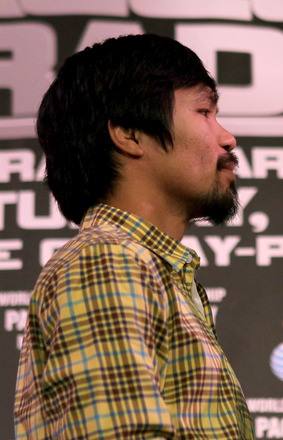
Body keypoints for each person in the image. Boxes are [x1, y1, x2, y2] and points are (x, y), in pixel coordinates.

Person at [14, 34, 255, 439]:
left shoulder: (146, 268)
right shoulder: (107, 261)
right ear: (128, 133)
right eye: (204, 111)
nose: (227, 137)